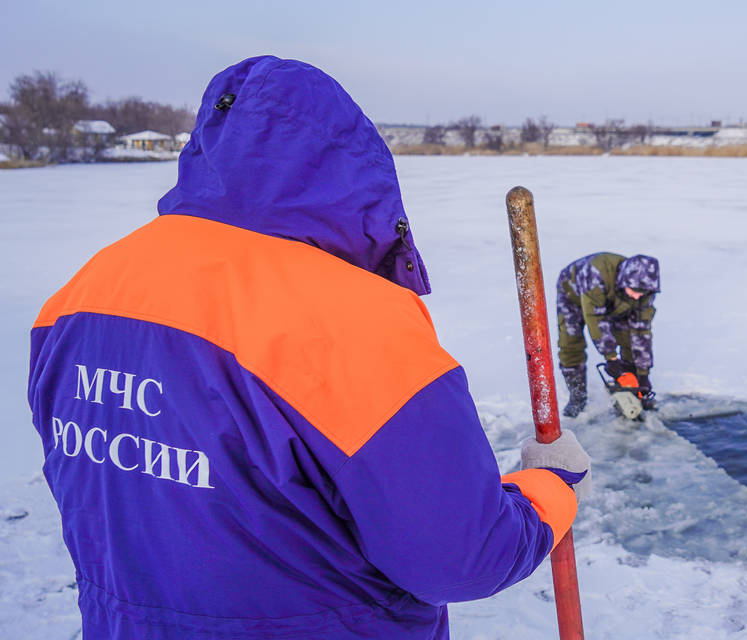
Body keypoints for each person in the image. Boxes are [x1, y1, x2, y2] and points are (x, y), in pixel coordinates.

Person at [27, 56, 590, 639]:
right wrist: (549, 487)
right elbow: (462, 556)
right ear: (350, 166)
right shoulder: (352, 320)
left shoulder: (82, 291)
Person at [556, 252, 660, 417]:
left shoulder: (643, 291)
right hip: (573, 293)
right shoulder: (596, 272)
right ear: (625, 280)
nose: (638, 295)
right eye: (634, 290)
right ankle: (577, 397)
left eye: (643, 292)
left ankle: (629, 392)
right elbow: (595, 318)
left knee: (628, 340)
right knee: (571, 342)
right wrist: (611, 358)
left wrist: (643, 374)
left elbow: (641, 332)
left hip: (615, 296)